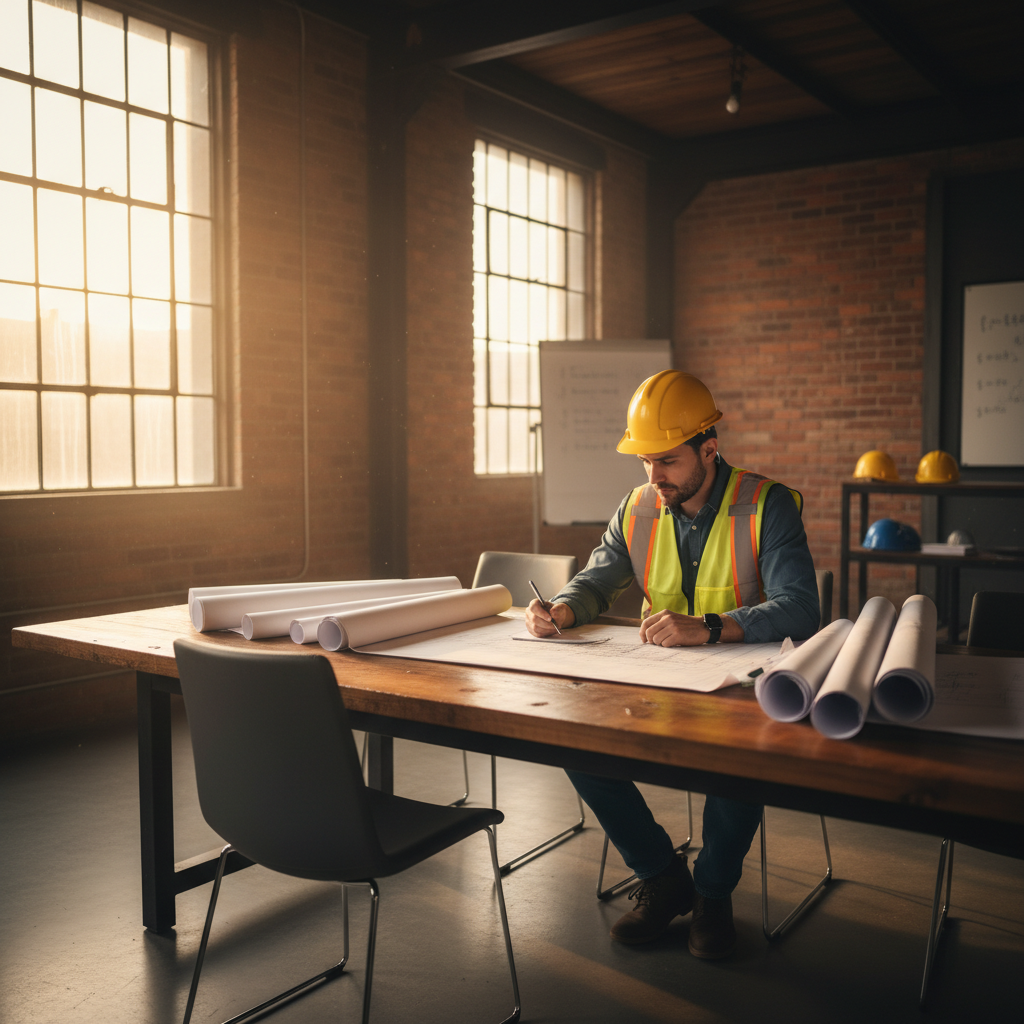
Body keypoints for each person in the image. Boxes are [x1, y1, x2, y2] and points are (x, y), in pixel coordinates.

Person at [526, 369, 819, 959]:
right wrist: (562, 609)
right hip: (660, 681)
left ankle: (712, 893)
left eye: (667, 462)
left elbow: (802, 609)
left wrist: (712, 627)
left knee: (737, 764)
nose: (654, 477)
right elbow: (598, 579)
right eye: (646, 463)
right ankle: (662, 877)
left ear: (709, 448)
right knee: (574, 744)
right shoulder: (636, 507)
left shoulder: (770, 504)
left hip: (742, 686)